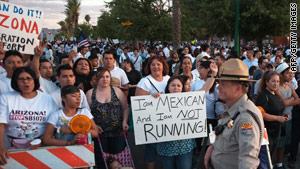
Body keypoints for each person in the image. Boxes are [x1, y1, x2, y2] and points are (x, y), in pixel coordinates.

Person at [204, 58, 264, 169]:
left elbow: (248, 161)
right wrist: (212, 148)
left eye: (223, 84)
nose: (218, 87)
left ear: (238, 88)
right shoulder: (231, 108)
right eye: (219, 83)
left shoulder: (246, 118)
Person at [0, 67, 58, 164]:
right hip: (12, 148)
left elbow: (53, 124)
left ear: (34, 80)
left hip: (42, 146)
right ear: (16, 82)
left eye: (29, 78)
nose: (25, 82)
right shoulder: (6, 98)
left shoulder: (47, 99)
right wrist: (1, 147)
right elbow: (1, 124)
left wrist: (42, 141)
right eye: (21, 79)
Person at [86, 67, 129, 169]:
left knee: (118, 159)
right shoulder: (90, 93)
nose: (105, 79)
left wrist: (124, 121)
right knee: (101, 160)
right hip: (99, 133)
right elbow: (86, 114)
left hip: (118, 131)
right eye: (101, 77)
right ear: (97, 79)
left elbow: (125, 108)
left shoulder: (117, 91)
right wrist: (94, 126)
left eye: (107, 76)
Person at [135, 55, 170, 169]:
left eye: (158, 64)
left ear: (163, 66)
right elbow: (138, 103)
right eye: (153, 64)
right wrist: (152, 98)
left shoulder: (169, 79)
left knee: (167, 148)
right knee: (151, 149)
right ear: (149, 67)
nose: (156, 67)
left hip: (168, 120)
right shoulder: (145, 81)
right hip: (151, 122)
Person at [155, 76, 196, 169]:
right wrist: (153, 99)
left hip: (185, 146)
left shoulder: (189, 100)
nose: (176, 88)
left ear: (182, 88)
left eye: (178, 85)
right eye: (173, 85)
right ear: (168, 88)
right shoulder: (159, 100)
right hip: (166, 146)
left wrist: (213, 76)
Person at [255, 70, 287, 166]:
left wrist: (283, 115)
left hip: (276, 131)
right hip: (267, 132)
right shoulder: (263, 96)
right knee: (265, 156)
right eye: (273, 81)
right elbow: (261, 114)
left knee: (272, 152)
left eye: (277, 81)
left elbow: (278, 107)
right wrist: (277, 118)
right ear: (266, 82)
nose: (276, 84)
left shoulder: (276, 94)